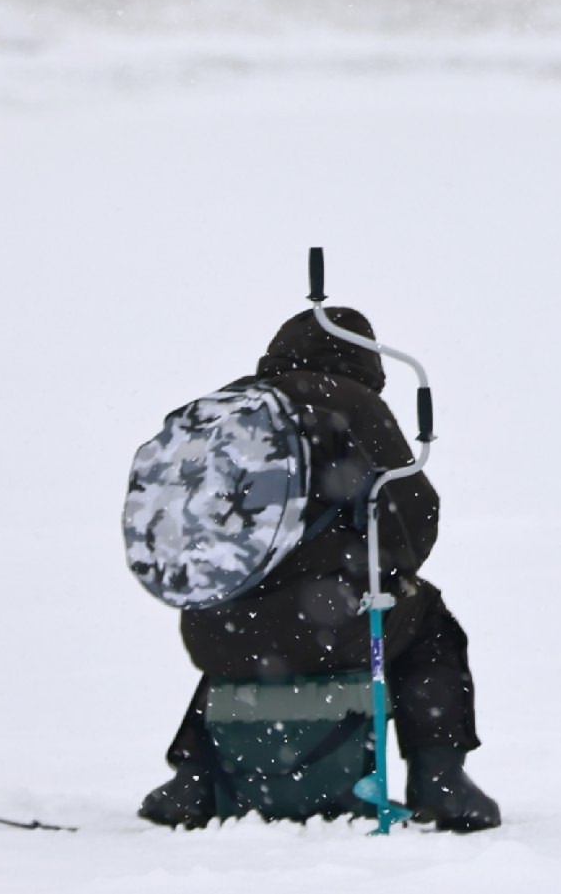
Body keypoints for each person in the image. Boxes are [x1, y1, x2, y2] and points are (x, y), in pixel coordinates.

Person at [138, 307, 501, 832]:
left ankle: (192, 780)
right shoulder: (349, 402)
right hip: (330, 625)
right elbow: (412, 518)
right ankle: (440, 781)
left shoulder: (226, 407)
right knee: (428, 620)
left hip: (213, 627)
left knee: (246, 624)